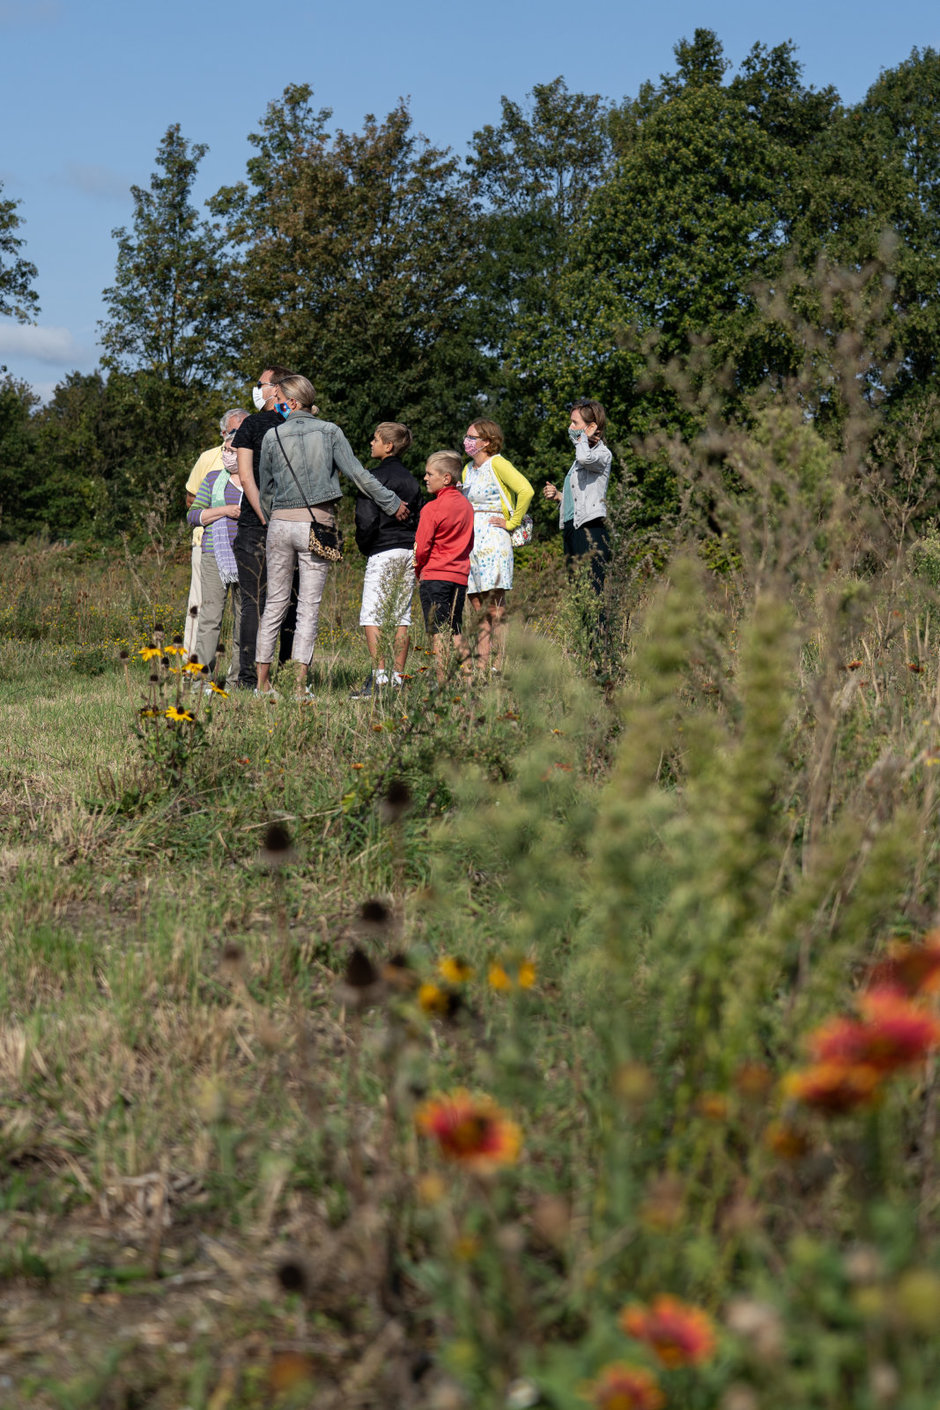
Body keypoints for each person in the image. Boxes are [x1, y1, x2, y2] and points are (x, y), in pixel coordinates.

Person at [254, 375, 410, 699]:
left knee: (274, 604)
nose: (277, 403)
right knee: (308, 606)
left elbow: (265, 489)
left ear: (293, 402)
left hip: (280, 524)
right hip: (318, 522)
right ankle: (299, 686)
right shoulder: (330, 432)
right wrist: (392, 503)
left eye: (281, 397)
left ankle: (262, 685)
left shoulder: (272, 436)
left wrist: (274, 519)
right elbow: (358, 476)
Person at [229, 365, 297, 690]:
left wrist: (263, 515)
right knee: (288, 600)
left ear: (275, 388)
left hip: (255, 524)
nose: (257, 388)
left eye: (261, 383)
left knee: (253, 601)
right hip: (294, 521)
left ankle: (248, 678)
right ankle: (281, 672)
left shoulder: (252, 425)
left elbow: (245, 477)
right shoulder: (300, 426)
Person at [350, 422, 422, 699]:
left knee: (372, 615)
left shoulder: (373, 477)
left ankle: (380, 680)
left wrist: (365, 544)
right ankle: (397, 677)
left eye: (376, 439)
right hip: (406, 550)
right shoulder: (412, 480)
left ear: (388, 446)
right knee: (401, 615)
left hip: (382, 548)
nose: (371, 442)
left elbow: (366, 518)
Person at [461, 419, 533, 673]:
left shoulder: (498, 463)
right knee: (477, 604)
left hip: (493, 539)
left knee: (494, 605)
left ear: (487, 442)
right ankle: (482, 663)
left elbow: (526, 490)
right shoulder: (468, 469)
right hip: (471, 541)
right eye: (467, 436)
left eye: (472, 437)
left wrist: (512, 522)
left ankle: (501, 663)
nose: (467, 440)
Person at [183, 408, 247, 656]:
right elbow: (192, 504)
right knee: (205, 612)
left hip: (245, 553)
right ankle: (196, 669)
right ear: (224, 434)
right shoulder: (210, 467)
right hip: (210, 549)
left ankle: (240, 677)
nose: (228, 454)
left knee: (245, 617)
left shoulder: (256, 477)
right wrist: (222, 511)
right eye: (233, 433)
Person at [414, 450, 475, 682]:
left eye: (430, 474)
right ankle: (469, 678)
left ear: (446, 478)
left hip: (435, 575)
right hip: (459, 576)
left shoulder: (431, 508)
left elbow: (421, 547)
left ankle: (442, 681)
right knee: (456, 628)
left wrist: (419, 570)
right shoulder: (467, 507)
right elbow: (470, 542)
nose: (426, 478)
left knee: (438, 632)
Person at [542, 399, 613, 594]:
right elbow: (579, 496)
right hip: (573, 527)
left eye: (575, 423)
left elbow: (585, 458)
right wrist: (558, 495)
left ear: (591, 427)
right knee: (577, 594)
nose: (570, 427)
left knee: (591, 593)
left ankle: (599, 627)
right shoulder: (580, 456)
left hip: (589, 529)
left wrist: (582, 439)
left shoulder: (601, 454)